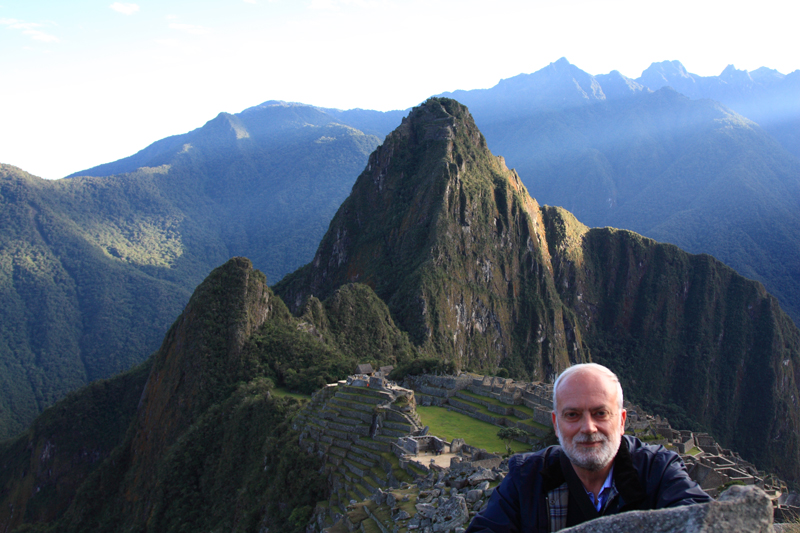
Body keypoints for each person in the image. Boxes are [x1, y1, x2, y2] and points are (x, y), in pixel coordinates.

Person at [466, 363, 711, 532]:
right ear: (556, 424)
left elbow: (702, 520)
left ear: (622, 420)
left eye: (600, 413)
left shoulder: (658, 471)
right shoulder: (527, 477)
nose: (588, 427)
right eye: (572, 415)